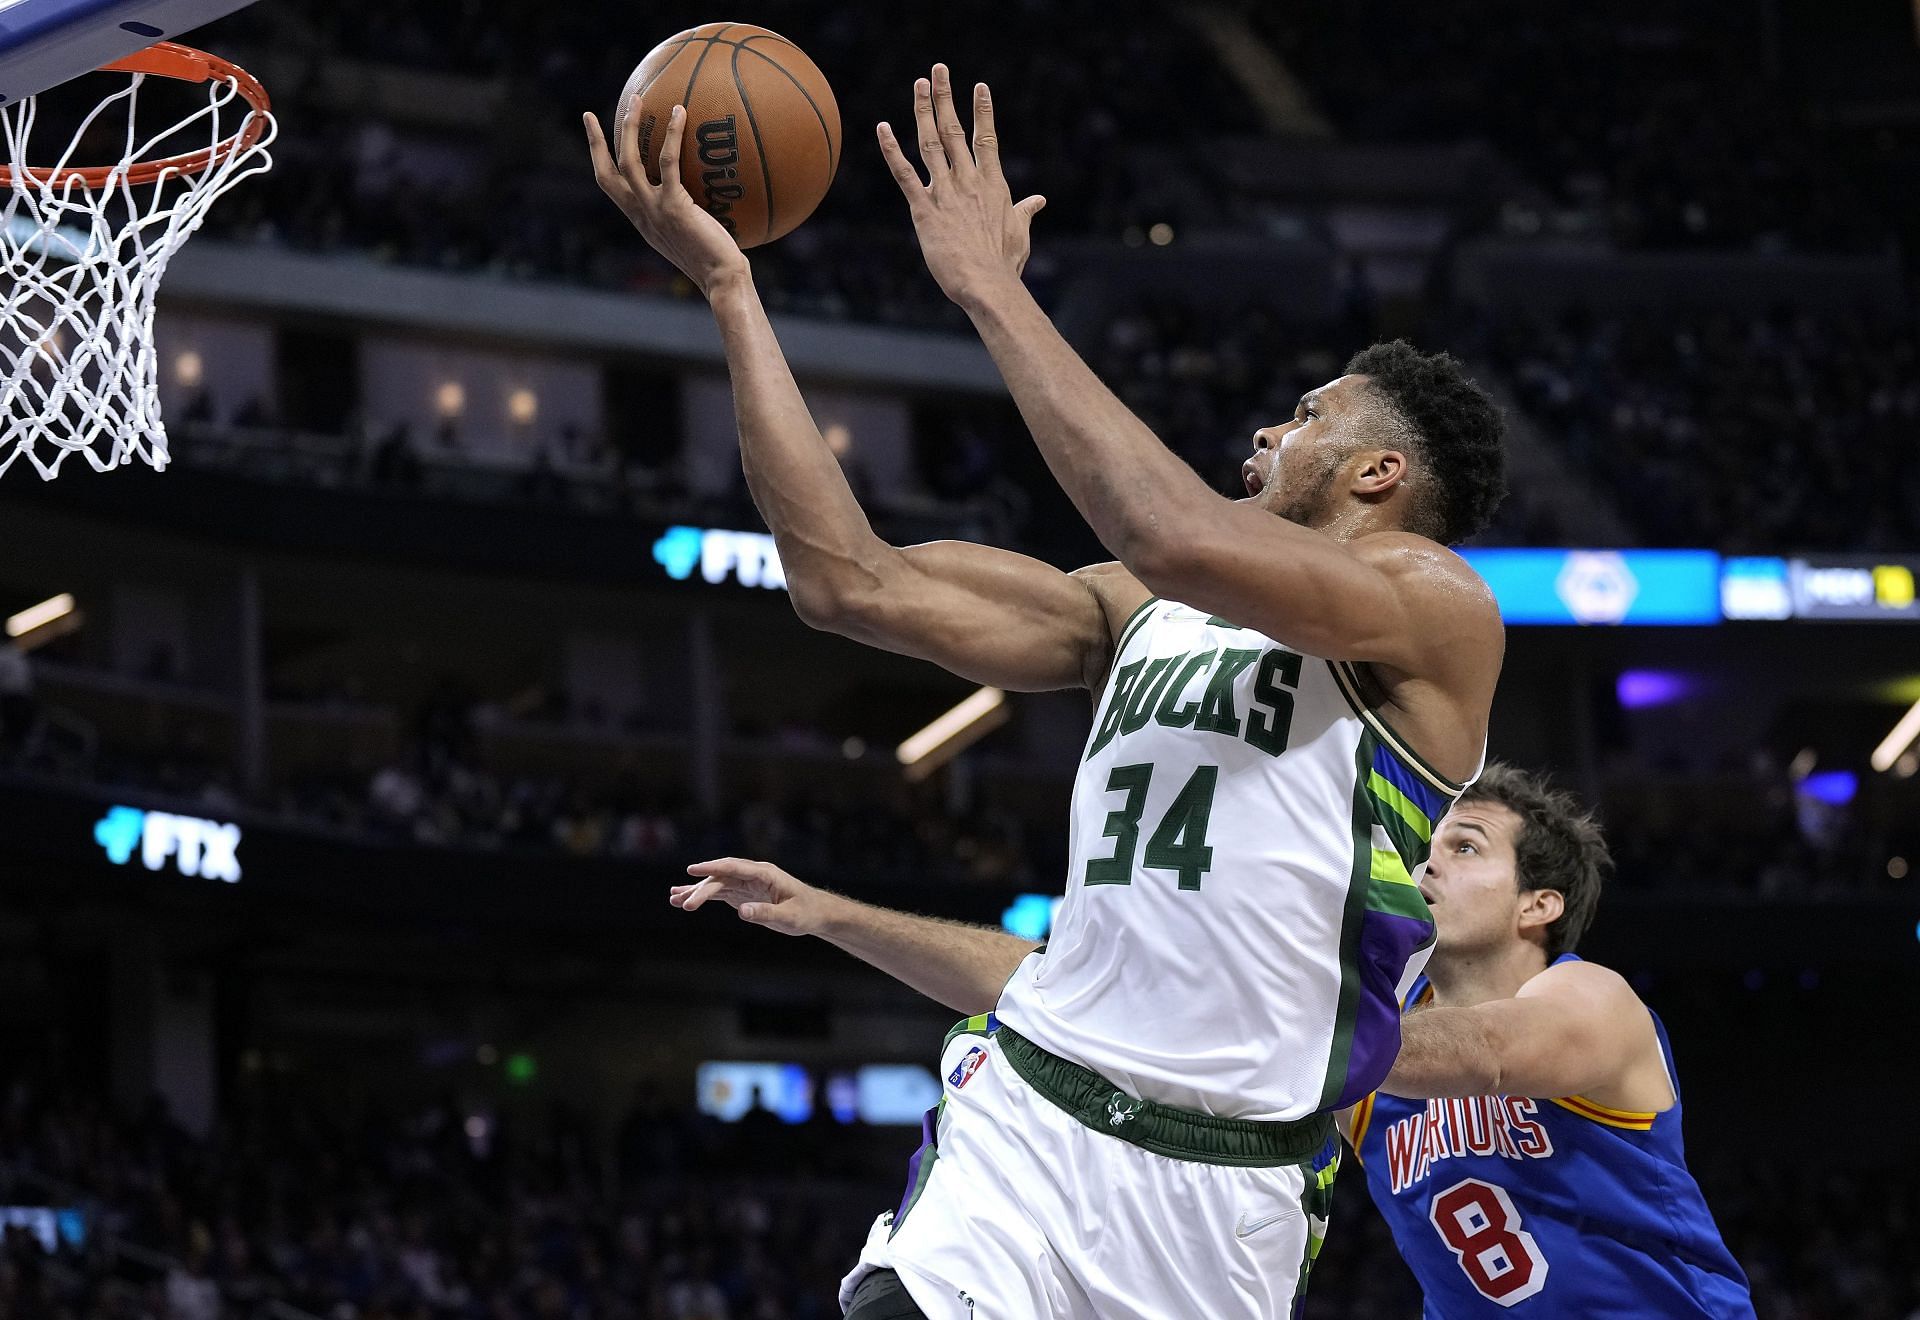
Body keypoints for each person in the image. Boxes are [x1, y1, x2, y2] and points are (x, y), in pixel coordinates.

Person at [591, 62, 1508, 1319]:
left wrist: (987, 288)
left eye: (1305, 417)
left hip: (1220, 1193)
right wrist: (731, 289)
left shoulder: (1433, 606)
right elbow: (847, 582)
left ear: (1380, 473)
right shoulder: (1136, 609)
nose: (1265, 434)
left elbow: (1177, 531)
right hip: (1028, 1119)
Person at [1348, 763, 1754, 1317]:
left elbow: (1488, 1050)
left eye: (1464, 847)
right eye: (1425, 844)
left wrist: (1320, 1028)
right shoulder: (1372, 1055)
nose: (1426, 862)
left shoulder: (1597, 999)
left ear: (1538, 904)